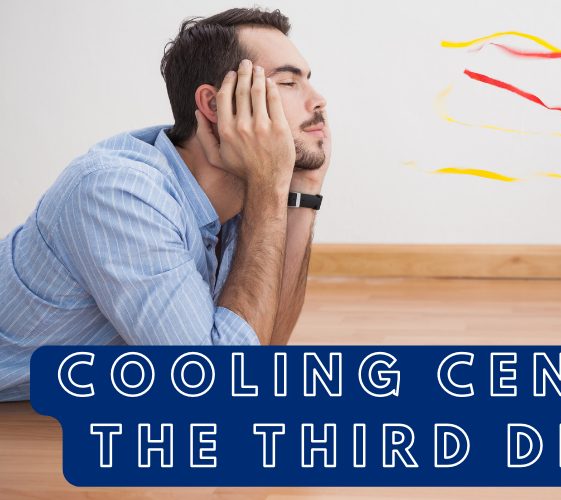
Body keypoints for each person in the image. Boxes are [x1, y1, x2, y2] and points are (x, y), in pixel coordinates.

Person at [0, 7, 329, 401]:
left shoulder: (240, 197)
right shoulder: (118, 194)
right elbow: (215, 390)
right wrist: (271, 187)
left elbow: (265, 351)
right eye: (288, 82)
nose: (319, 101)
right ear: (214, 105)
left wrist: (303, 189)